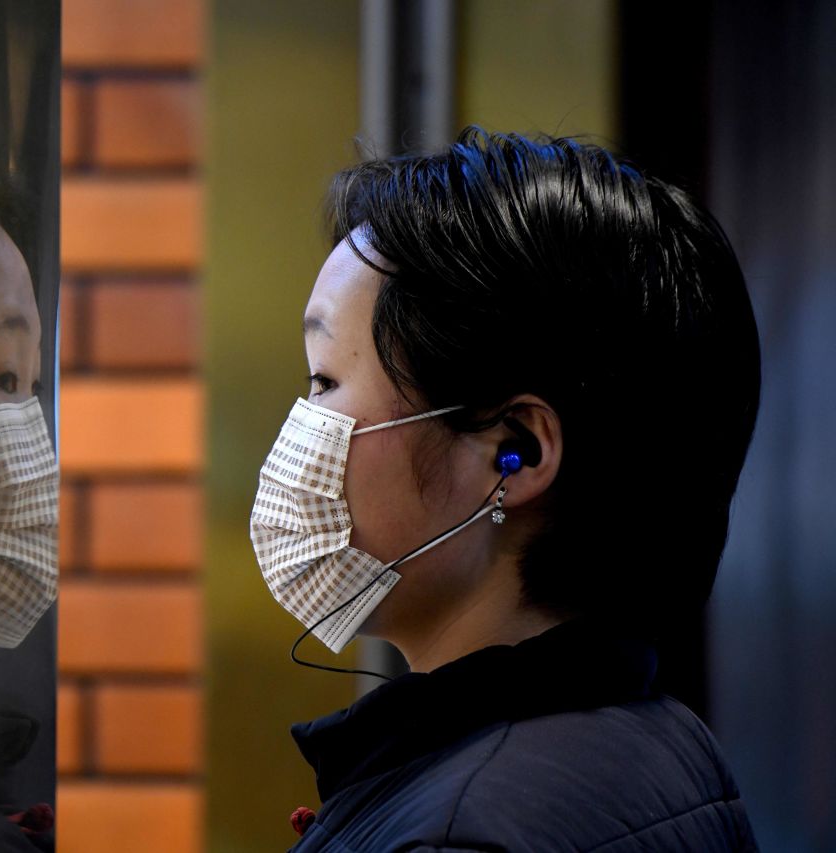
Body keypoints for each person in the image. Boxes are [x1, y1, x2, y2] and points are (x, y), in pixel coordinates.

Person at [249, 127, 761, 851]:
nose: (298, 429)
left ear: (514, 449)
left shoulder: (461, 833)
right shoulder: (662, 741)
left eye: (326, 381)